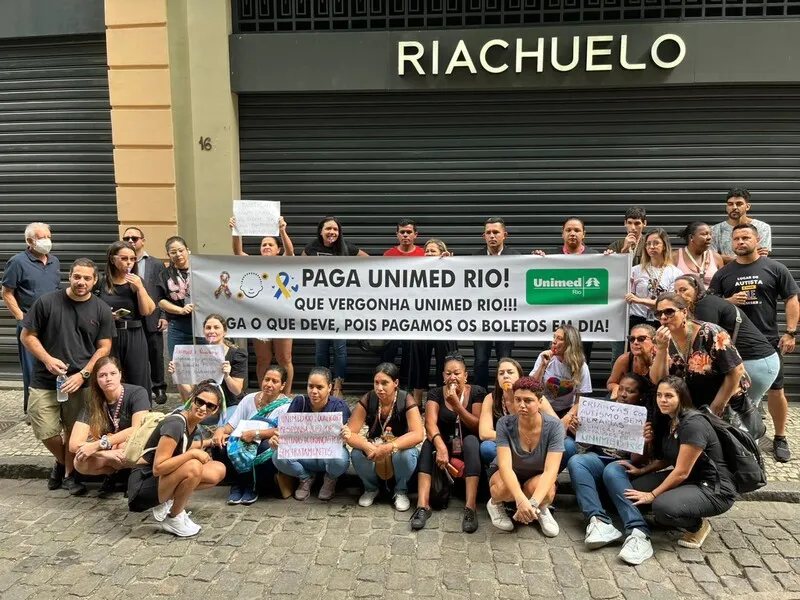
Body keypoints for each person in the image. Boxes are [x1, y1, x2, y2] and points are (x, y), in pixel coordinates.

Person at [20, 258, 114, 495]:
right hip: (44, 378)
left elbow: (104, 347)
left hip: (80, 381)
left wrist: (84, 375)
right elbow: (27, 336)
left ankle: (70, 476)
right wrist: (48, 360)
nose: (81, 282)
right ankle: (62, 463)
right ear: (69, 276)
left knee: (74, 429)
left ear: (94, 281)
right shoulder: (47, 302)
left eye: (87, 278)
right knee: (46, 429)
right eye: (77, 277)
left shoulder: (101, 308)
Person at [709, 223, 798, 461]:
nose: (740, 242)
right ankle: (738, 439)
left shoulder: (775, 268)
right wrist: (729, 301)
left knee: (777, 391)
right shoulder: (723, 274)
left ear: (757, 241)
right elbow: (711, 304)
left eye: (745, 237)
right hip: (733, 344)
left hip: (768, 342)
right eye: (736, 238)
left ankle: (780, 438)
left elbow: (791, 298)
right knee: (735, 393)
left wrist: (790, 332)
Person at [623, 376, 736, 549]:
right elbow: (668, 459)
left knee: (661, 506)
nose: (662, 400)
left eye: (668, 396)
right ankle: (676, 512)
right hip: (690, 478)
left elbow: (681, 471)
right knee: (635, 487)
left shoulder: (693, 424)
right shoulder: (670, 420)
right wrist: (642, 471)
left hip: (714, 487)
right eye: (659, 395)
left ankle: (697, 526)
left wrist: (652, 495)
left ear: (681, 397)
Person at [649, 293, 763, 439]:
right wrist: (662, 349)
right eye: (659, 314)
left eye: (669, 312)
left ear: (684, 312)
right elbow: (658, 379)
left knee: (734, 448)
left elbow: (736, 370)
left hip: (725, 401)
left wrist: (717, 406)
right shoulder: (662, 340)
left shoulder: (709, 332)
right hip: (694, 405)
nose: (663, 317)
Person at [568, 373, 655, 564]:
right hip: (598, 459)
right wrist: (579, 432)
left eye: (630, 391)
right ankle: (598, 521)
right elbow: (585, 448)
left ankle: (638, 532)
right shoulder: (604, 410)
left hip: (625, 466)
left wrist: (645, 442)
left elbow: (638, 461)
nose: (623, 394)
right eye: (621, 389)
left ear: (640, 395)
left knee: (613, 470)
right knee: (576, 460)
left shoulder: (645, 418)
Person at [127, 381, 226, 537]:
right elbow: (158, 467)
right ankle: (174, 517)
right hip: (142, 486)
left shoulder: (192, 424)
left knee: (218, 470)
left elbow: (182, 446)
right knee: (194, 466)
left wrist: (209, 442)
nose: (203, 408)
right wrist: (192, 454)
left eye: (210, 406)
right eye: (200, 401)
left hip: (160, 480)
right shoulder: (175, 424)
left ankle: (169, 500)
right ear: (192, 399)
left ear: (215, 410)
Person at [674, 274, 780, 417]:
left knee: (739, 414)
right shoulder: (706, 303)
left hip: (755, 361)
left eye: (683, 290)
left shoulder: (705, 306)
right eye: (675, 292)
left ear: (696, 288)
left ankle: (747, 437)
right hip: (756, 360)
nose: (679, 295)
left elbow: (704, 344)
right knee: (740, 414)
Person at [410, 352, 485, 533]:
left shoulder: (477, 392)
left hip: (467, 448)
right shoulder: (436, 393)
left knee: (472, 441)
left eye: (457, 373)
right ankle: (422, 506)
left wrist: (457, 406)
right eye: (448, 373)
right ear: (443, 375)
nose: (452, 377)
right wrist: (440, 445)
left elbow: (477, 426)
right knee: (428, 444)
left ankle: (470, 507)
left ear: (465, 375)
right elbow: (430, 423)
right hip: (444, 446)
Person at [485, 377, 564, 536]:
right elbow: (505, 466)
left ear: (540, 401)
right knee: (502, 489)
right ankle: (496, 504)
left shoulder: (555, 426)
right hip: (509, 472)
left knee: (548, 492)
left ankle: (539, 508)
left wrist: (533, 504)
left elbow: (551, 471)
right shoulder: (504, 423)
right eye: (517, 400)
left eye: (528, 400)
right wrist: (521, 500)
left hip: (536, 474)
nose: (521, 405)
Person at [344, 363, 424, 512]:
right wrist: (366, 446)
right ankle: (370, 489)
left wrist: (389, 447)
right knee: (356, 453)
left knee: (407, 455)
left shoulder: (405, 399)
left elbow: (418, 434)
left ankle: (401, 490)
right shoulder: (369, 398)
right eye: (376, 383)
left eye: (385, 383)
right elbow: (350, 433)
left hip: (398, 448)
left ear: (396, 383)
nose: (379, 388)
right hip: (374, 447)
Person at [229, 215, 296, 393]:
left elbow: (290, 252)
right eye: (263, 244)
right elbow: (237, 252)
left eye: (270, 244)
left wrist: (282, 230)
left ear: (277, 249)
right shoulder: (254, 262)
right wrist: (236, 231)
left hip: (282, 317)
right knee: (263, 359)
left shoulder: (284, 261)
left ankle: (286, 396)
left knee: (284, 359)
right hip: (259, 318)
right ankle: (263, 393)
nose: (266, 247)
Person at [303, 216, 367, 397]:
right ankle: (322, 383)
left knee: (340, 348)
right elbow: (298, 269)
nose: (332, 232)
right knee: (321, 349)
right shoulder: (311, 248)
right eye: (328, 229)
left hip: (341, 307)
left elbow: (370, 263)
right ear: (321, 231)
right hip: (319, 306)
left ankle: (338, 385)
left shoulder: (347, 248)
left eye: (335, 229)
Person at [212, 365, 293, 505]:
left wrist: (256, 434)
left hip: (265, 442)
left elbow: (284, 430)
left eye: (275, 381)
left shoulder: (287, 405)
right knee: (219, 446)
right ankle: (237, 483)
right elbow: (231, 426)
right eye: (267, 379)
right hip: (243, 438)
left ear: (282, 385)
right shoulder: (249, 399)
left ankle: (253, 486)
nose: (269, 384)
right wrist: (220, 431)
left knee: (264, 448)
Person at [2, 222, 61, 414]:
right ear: (29, 241)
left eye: (48, 237)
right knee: (32, 368)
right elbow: (7, 292)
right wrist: (21, 318)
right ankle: (32, 411)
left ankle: (54, 406)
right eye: (41, 238)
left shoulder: (54, 261)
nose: (47, 241)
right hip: (31, 325)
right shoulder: (18, 262)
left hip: (52, 323)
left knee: (52, 364)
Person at [69, 356, 150, 495]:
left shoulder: (137, 393)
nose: (108, 379)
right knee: (80, 462)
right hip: (111, 451)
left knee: (123, 446)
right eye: (102, 375)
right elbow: (73, 444)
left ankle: (134, 476)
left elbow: (138, 429)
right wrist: (108, 454)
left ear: (120, 374)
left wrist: (98, 445)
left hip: (134, 445)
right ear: (96, 379)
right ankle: (115, 473)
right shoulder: (93, 401)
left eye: (113, 374)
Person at [270, 367, 352, 501]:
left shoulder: (339, 406)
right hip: (304, 456)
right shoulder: (299, 402)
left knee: (341, 459)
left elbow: (341, 436)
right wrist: (276, 441)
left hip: (328, 456)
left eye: (319, 387)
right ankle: (305, 477)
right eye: (310, 386)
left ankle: (330, 479)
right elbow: (286, 434)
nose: (314, 391)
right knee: (277, 456)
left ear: (329, 387)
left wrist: (346, 433)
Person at [533, 217, 598, 361]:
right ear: (562, 233)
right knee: (552, 358)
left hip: (584, 323)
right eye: (568, 230)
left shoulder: (596, 257)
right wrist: (534, 261)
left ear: (584, 234)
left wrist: (612, 260)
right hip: (554, 322)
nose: (572, 233)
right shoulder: (549, 256)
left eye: (577, 230)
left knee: (582, 360)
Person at [97, 241, 156, 395]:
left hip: (133, 332)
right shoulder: (101, 281)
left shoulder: (136, 281)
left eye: (132, 259)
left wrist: (140, 288)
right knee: (110, 374)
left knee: (138, 375)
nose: (129, 262)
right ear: (112, 259)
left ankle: (141, 412)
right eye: (124, 258)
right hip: (109, 334)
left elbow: (148, 310)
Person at [478, 358, 557, 465]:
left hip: (533, 445)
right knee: (487, 447)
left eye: (510, 372)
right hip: (505, 446)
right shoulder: (491, 398)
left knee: (567, 446)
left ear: (520, 376)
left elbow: (557, 426)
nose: (505, 376)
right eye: (501, 373)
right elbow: (484, 433)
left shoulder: (534, 396)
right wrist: (517, 438)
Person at [407, 239, 458, 404]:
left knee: (446, 360)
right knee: (418, 360)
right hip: (422, 323)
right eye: (426, 251)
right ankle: (417, 398)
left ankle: (443, 398)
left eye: (433, 251)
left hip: (445, 324)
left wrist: (449, 265)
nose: (428, 254)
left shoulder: (452, 269)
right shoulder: (418, 270)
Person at [122, 227, 169, 405]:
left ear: (143, 240)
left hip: (152, 315)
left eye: (134, 238)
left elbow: (163, 291)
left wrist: (164, 315)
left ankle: (159, 387)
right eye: (127, 238)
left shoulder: (156, 264)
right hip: (130, 316)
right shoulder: (120, 263)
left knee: (155, 353)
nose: (131, 241)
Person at [473, 217, 519, 388]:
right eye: (488, 233)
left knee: (505, 362)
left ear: (504, 235)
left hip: (506, 320)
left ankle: (503, 398)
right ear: (483, 236)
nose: (492, 236)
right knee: (480, 361)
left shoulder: (517, 257)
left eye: (496, 232)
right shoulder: (474, 258)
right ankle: (479, 398)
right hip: (481, 320)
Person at [168, 314, 246, 408]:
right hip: (207, 405)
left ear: (224, 331)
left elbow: (237, 391)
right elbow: (191, 392)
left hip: (231, 404)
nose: (212, 331)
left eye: (216, 327)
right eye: (208, 328)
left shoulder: (237, 354)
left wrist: (227, 376)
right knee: (177, 414)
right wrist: (177, 375)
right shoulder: (198, 354)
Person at [626, 229, 684, 331]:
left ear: (664, 245)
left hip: (663, 321)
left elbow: (670, 302)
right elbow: (629, 296)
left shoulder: (675, 273)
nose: (651, 247)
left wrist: (639, 300)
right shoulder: (635, 270)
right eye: (648, 244)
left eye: (656, 243)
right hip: (637, 321)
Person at [158, 236, 201, 360]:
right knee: (180, 366)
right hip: (178, 325)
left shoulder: (201, 270)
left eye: (181, 250)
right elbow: (161, 300)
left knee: (207, 365)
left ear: (188, 250)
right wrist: (180, 310)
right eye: (173, 252)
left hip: (203, 324)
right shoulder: (164, 275)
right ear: (168, 255)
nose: (178, 254)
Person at [711, 188, 772, 263]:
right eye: (730, 204)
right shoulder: (715, 230)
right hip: (726, 274)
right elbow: (712, 259)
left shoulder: (762, 227)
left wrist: (724, 258)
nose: (734, 207)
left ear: (748, 206)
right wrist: (748, 257)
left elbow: (760, 260)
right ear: (726, 207)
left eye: (739, 204)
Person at [606, 325, 656, 400]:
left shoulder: (661, 359)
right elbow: (611, 383)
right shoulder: (624, 359)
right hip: (630, 399)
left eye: (641, 339)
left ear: (654, 341)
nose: (635, 342)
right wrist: (616, 388)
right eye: (631, 339)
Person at [673, 222, 723, 287]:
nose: (709, 237)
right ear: (691, 237)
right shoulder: (675, 257)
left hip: (711, 296)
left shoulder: (716, 257)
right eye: (704, 234)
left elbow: (723, 284)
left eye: (710, 234)